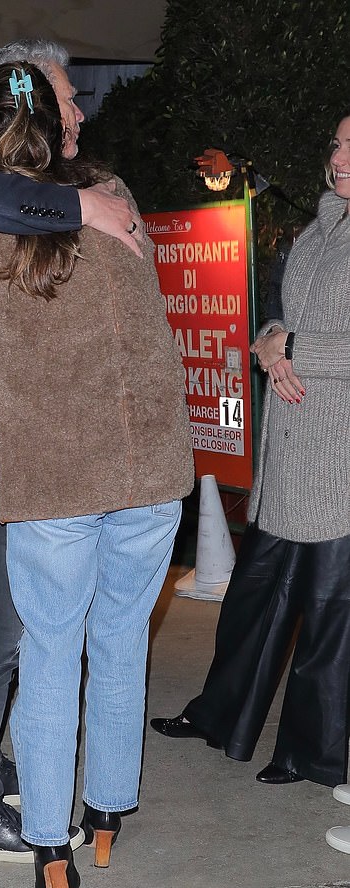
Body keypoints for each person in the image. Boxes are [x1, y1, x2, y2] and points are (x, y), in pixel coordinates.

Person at [0, 59, 194, 888]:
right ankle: (106, 811)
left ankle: (50, 841)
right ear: (42, 110)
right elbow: (153, 308)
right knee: (122, 640)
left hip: (59, 472)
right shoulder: (114, 194)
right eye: (70, 98)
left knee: (53, 652)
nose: (83, 114)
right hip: (154, 467)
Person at [151, 115, 350, 796]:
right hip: (288, 459)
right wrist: (270, 340)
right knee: (251, 602)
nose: (341, 154)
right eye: (338, 142)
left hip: (338, 461)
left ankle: (309, 751)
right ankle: (220, 716)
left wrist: (294, 350)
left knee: (327, 620)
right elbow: (281, 317)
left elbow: (317, 340)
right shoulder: (318, 231)